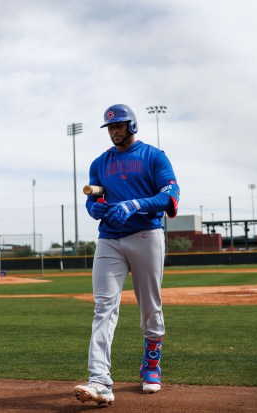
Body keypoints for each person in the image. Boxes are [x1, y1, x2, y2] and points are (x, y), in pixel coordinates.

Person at [74, 104, 180, 406]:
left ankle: (151, 365)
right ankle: (100, 381)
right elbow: (94, 201)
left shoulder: (154, 157)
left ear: (132, 125)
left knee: (150, 305)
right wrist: (95, 208)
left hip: (146, 234)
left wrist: (134, 204)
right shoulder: (99, 163)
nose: (114, 131)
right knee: (103, 307)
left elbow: (169, 196)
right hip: (109, 238)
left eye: (119, 125)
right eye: (110, 127)